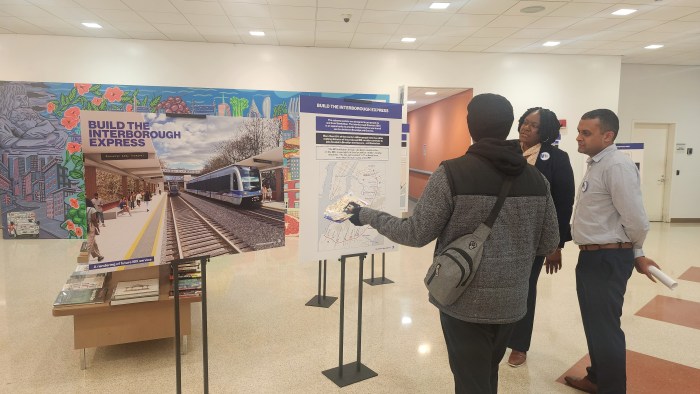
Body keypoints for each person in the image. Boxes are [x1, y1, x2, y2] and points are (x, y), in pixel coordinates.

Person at [347, 93, 560, 393]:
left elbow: (415, 233)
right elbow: (549, 241)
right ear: (510, 125)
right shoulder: (537, 179)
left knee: (471, 382)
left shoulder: (452, 173)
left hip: (463, 299)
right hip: (512, 302)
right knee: (486, 373)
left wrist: (367, 215)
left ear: (470, 124)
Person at [564, 109, 660, 394]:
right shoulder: (597, 163)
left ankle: (613, 389)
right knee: (595, 324)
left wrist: (637, 253)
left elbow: (636, 220)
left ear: (608, 136)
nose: (578, 138)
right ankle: (597, 378)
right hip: (593, 256)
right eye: (579, 131)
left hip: (607, 258)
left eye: (586, 133)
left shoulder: (616, 165)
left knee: (605, 328)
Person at [506, 107, 575, 367]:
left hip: (533, 239)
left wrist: (555, 244)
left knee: (525, 288)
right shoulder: (508, 151)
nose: (526, 127)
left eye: (534, 125)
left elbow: (563, 202)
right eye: (525, 122)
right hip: (501, 234)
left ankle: (519, 345)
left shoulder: (557, 158)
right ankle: (497, 334)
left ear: (545, 131)